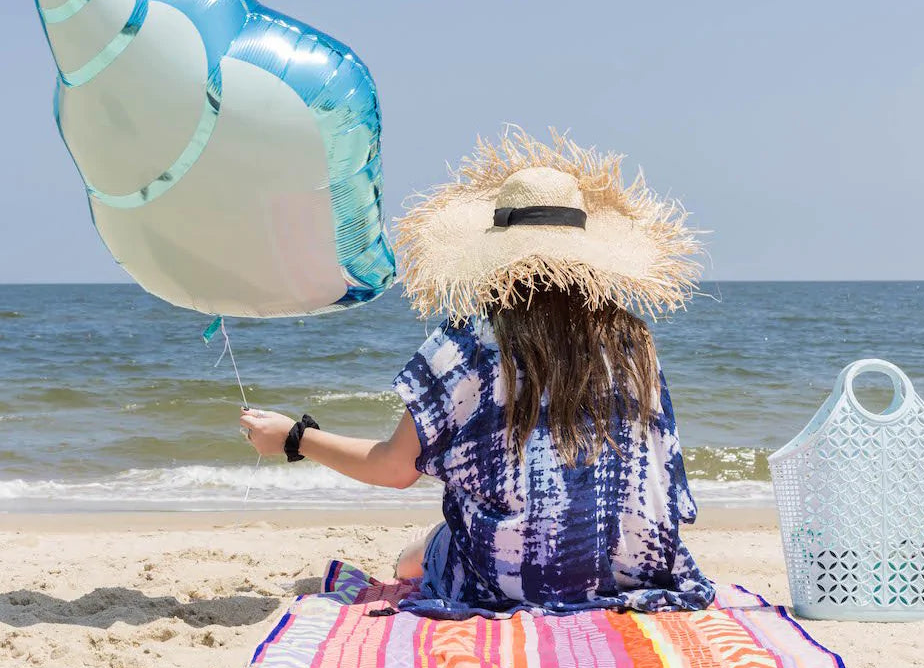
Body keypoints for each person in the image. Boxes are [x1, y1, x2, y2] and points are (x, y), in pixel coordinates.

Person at [240, 129, 715, 619]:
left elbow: (395, 468)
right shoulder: (634, 342)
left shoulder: (468, 343)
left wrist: (294, 437)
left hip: (511, 578)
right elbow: (662, 469)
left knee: (410, 562)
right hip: (631, 567)